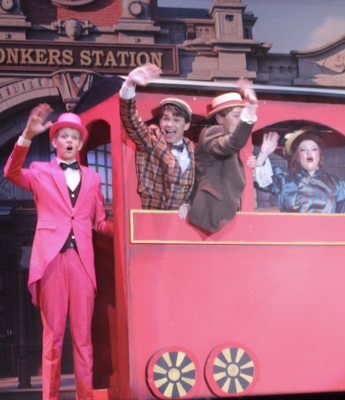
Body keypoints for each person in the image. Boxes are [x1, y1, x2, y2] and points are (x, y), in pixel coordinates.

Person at [3, 105, 113, 400]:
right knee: (53, 338)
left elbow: (100, 222)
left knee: (83, 339)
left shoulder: (93, 178)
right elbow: (11, 172)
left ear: (80, 143)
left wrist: (131, 229)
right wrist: (27, 135)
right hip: (51, 260)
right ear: (54, 141)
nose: (69, 141)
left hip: (82, 263)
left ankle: (85, 397)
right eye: (64, 136)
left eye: (74, 137)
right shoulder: (41, 172)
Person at [120, 63, 195, 219]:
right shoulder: (153, 140)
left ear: (186, 125)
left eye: (176, 120)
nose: (169, 124)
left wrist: (188, 204)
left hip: (180, 226)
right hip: (150, 222)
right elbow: (131, 120)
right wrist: (129, 85)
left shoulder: (193, 150)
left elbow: (201, 185)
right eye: (165, 119)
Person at [188, 81, 258, 232]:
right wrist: (250, 111)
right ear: (219, 119)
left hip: (227, 216)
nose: (240, 121)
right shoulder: (211, 132)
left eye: (242, 116)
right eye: (236, 116)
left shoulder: (230, 139)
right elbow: (232, 143)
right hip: (210, 216)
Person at [248, 128, 345, 213]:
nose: (309, 153)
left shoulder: (337, 183)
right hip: (291, 232)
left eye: (313, 149)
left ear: (320, 155)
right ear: (297, 157)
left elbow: (343, 218)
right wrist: (263, 154)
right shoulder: (284, 179)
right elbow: (257, 179)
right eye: (303, 150)